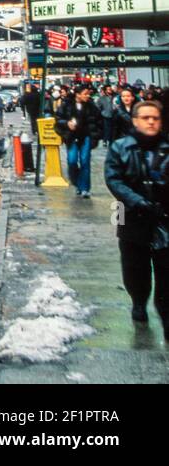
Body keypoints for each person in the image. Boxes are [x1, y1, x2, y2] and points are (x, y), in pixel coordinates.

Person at [105, 99, 169, 332]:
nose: (151, 122)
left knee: (165, 267)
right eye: (146, 118)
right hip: (128, 212)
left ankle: (165, 311)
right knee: (134, 264)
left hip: (164, 215)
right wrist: (137, 201)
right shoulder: (120, 147)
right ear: (135, 121)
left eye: (155, 118)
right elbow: (113, 180)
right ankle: (138, 301)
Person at [56, 85, 99, 198]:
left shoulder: (92, 106)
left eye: (88, 94)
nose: (87, 96)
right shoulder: (66, 104)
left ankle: (85, 188)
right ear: (77, 94)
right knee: (72, 160)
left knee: (85, 161)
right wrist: (67, 124)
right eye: (85, 94)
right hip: (71, 137)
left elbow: (98, 121)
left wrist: (96, 136)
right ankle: (76, 182)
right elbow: (58, 119)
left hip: (86, 136)